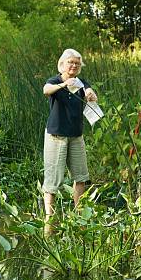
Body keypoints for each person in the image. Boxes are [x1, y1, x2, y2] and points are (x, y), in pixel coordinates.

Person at [42, 49, 98, 222]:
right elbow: (46, 90)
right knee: (53, 181)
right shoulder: (55, 81)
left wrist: (91, 94)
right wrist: (64, 85)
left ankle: (78, 215)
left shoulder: (82, 82)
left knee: (81, 177)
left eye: (77, 63)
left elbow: (91, 95)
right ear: (62, 64)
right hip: (56, 136)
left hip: (76, 136)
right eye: (70, 62)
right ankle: (49, 219)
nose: (73, 65)